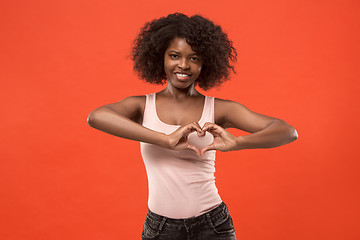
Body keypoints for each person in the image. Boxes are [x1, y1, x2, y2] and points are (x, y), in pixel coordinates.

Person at [87, 12, 298, 240]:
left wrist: (239, 142)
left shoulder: (219, 109)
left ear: (206, 62)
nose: (184, 65)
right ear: (161, 57)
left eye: (194, 58)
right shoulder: (141, 105)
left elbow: (287, 131)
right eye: (175, 56)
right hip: (160, 228)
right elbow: (96, 117)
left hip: (212, 225)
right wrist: (165, 140)